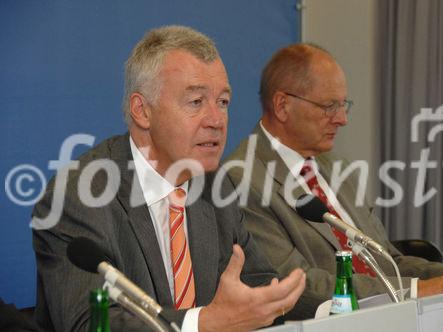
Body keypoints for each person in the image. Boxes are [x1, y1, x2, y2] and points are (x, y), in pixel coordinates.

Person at [31, 26, 314, 332]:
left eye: (223, 102)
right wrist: (204, 323)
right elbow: (90, 323)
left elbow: (256, 289)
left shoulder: (215, 185)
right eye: (196, 102)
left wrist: (333, 308)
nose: (216, 120)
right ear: (142, 111)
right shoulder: (78, 198)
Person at [223, 43, 443, 302]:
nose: (342, 119)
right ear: (283, 105)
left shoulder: (338, 168)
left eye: (344, 105)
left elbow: (388, 262)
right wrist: (420, 290)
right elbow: (293, 285)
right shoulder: (241, 179)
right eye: (329, 106)